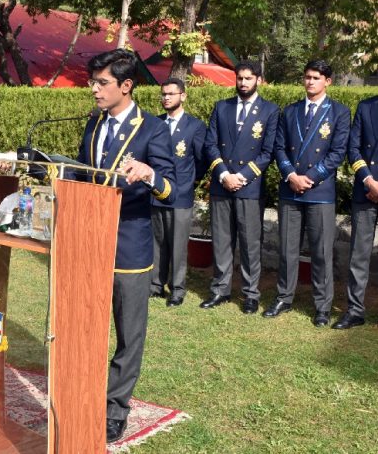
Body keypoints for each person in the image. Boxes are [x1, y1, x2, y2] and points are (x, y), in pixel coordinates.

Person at [76, 49, 177, 443]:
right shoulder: (94, 123)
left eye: (102, 83)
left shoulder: (153, 129)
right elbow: (80, 175)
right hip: (88, 243)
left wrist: (149, 174)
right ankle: (83, 392)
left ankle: (115, 408)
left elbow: (171, 189)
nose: (94, 89)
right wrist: (33, 164)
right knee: (85, 327)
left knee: (128, 335)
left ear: (127, 85)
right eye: (93, 82)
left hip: (129, 248)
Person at [263, 59, 350, 327]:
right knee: (287, 249)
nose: (310, 81)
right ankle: (283, 297)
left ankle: (322, 306)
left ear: (328, 81)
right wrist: (291, 175)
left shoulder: (339, 112)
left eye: (316, 77)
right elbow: (279, 148)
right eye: (307, 77)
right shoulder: (289, 111)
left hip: (319, 191)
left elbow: (337, 152)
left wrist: (309, 178)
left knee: (321, 251)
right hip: (290, 189)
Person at [201, 60, 279, 314]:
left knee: (249, 243)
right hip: (222, 184)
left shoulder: (270, 110)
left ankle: (250, 294)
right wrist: (224, 174)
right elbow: (210, 144)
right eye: (240, 78)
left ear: (258, 80)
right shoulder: (221, 107)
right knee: (222, 240)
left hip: (249, 187)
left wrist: (241, 177)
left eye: (248, 78)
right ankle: (220, 290)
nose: (243, 83)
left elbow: (268, 152)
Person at [149, 78, 207, 307]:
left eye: (171, 94)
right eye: (163, 94)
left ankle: (177, 289)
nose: (166, 98)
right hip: (156, 192)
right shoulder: (155, 123)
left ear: (183, 96)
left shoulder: (195, 126)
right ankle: (156, 285)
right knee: (157, 242)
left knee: (178, 245)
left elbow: (201, 160)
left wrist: (189, 181)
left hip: (181, 194)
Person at [332, 95, 378, 329]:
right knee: (359, 255)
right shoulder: (366, 106)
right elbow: (354, 149)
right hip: (366, 191)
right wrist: (369, 181)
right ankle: (355, 311)